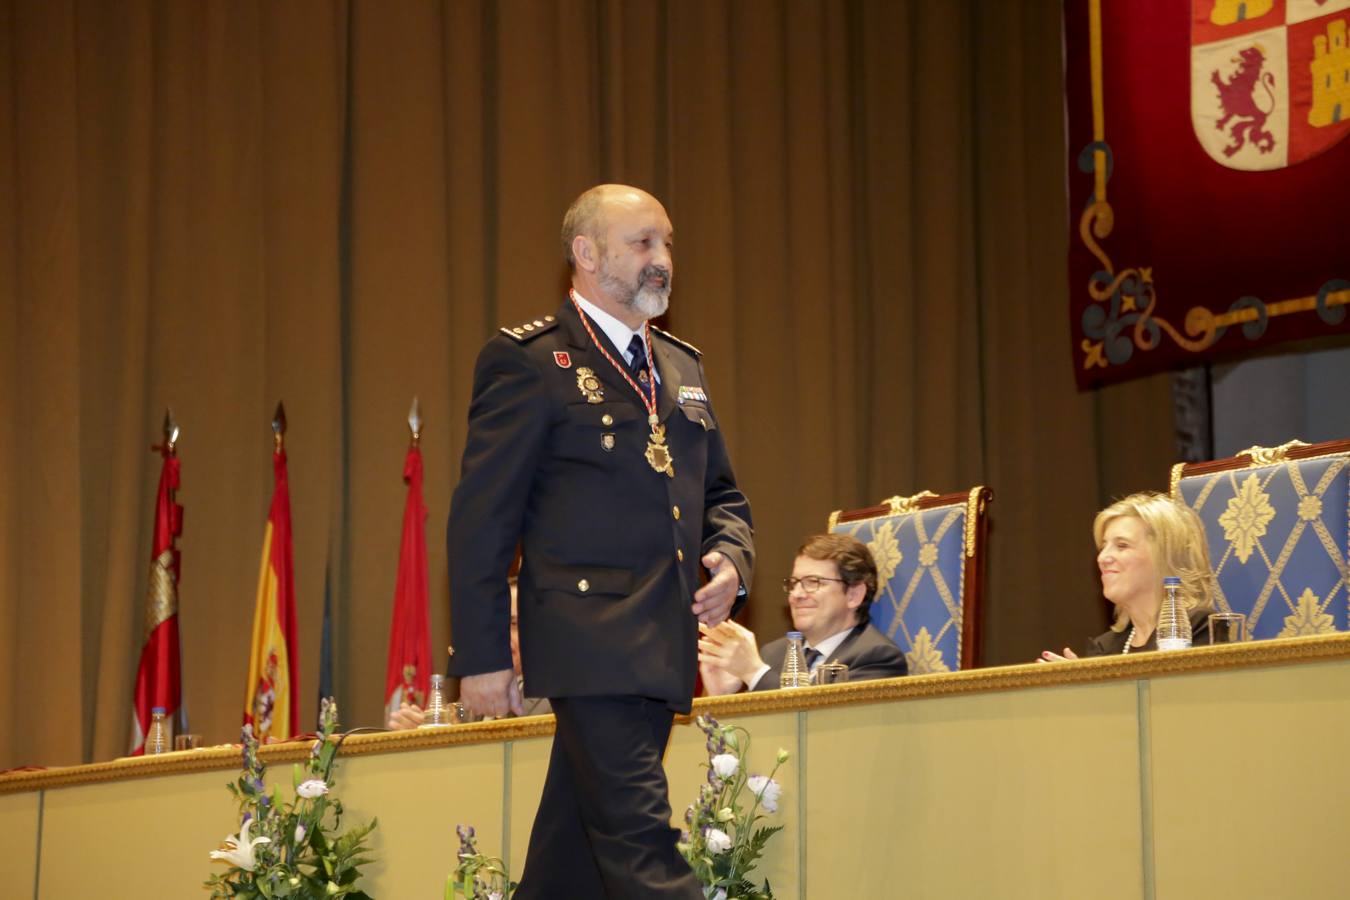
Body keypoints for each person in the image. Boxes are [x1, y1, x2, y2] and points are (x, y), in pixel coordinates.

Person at [447, 184, 754, 899]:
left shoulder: (681, 367)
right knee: (644, 851)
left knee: (569, 865)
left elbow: (723, 497)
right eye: (642, 243)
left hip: (663, 648)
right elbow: (481, 522)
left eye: (667, 243)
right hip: (588, 644)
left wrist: (732, 561)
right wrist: (484, 656)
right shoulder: (530, 363)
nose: (662, 260)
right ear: (586, 254)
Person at [699, 533, 907, 694]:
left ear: (854, 594)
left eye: (813, 582)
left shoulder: (877, 657)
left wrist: (755, 673)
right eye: (794, 583)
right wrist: (719, 697)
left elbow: (826, 730)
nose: (796, 594)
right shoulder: (773, 654)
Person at [1040, 491, 1215, 660]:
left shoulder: (1198, 628)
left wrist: (1098, 690)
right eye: (1103, 547)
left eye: (1122, 546)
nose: (1102, 558)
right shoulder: (1105, 648)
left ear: (1164, 556)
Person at [387, 579, 550, 728]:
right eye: (495, 625)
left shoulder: (552, 703)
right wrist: (425, 734)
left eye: (513, 624)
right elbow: (457, 745)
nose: (502, 635)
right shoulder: (473, 694)